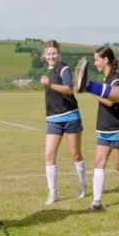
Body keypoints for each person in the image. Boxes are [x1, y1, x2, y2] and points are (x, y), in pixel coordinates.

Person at [85, 46, 119, 210]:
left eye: (97, 60)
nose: (95, 63)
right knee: (98, 163)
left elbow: (110, 101)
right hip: (104, 128)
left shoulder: (115, 79)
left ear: (105, 60)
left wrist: (88, 88)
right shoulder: (106, 79)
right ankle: (97, 202)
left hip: (117, 128)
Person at [40, 40, 86, 205]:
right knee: (49, 155)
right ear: (45, 56)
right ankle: (53, 193)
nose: (51, 56)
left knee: (75, 154)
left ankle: (82, 186)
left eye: (54, 53)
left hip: (71, 117)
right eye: (49, 54)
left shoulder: (64, 68)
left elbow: (68, 89)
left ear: (58, 54)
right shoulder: (48, 70)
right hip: (53, 119)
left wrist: (50, 84)